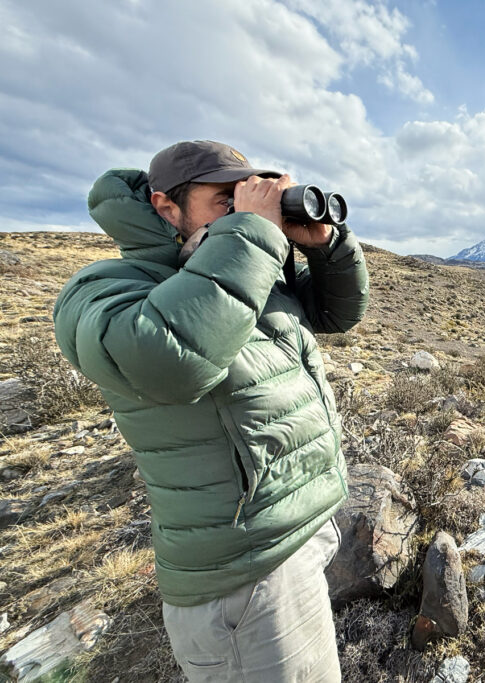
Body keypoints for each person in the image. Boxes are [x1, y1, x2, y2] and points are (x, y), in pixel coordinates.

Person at [52, 140, 368, 681]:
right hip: (243, 575)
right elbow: (167, 359)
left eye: (250, 196)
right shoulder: (103, 288)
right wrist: (253, 234)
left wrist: (324, 246)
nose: (246, 209)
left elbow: (337, 313)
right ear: (164, 206)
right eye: (227, 198)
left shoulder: (240, 264)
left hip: (300, 531)